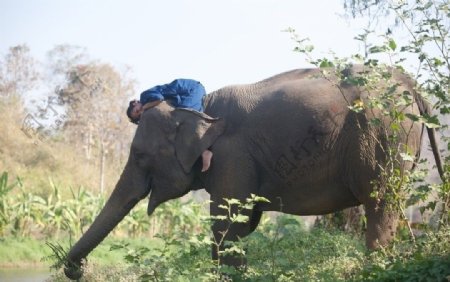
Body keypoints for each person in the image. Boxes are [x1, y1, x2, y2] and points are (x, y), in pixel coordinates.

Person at [126, 78, 213, 172]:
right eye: (138, 116)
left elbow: (158, 98)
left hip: (190, 90)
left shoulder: (144, 96)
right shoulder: (148, 106)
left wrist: (143, 108)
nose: (140, 113)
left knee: (185, 116)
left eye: (137, 111)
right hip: (186, 96)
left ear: (135, 103)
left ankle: (205, 151)